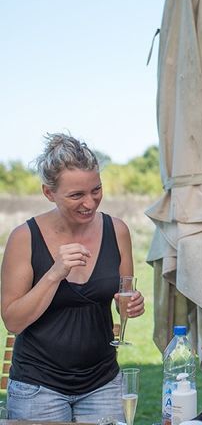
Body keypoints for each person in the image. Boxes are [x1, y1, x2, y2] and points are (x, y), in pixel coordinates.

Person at [0, 133, 145, 422]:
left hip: (103, 384)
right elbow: (13, 321)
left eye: (96, 190)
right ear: (48, 193)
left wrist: (130, 306)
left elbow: (122, 297)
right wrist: (54, 273)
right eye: (76, 195)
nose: (90, 203)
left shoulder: (117, 231)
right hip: (38, 388)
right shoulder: (24, 238)